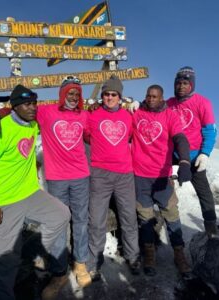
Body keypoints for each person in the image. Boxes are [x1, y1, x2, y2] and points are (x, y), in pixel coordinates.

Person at [0, 77, 92, 299]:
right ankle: (50, 273)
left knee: (67, 217)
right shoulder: (3, 128)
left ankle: (52, 258)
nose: (32, 108)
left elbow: (21, 111)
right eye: (69, 93)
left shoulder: (33, 124)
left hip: (44, 188)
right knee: (4, 261)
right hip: (9, 198)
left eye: (34, 103)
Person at [131, 84, 192, 277]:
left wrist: (184, 161)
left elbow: (181, 138)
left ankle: (179, 254)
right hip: (140, 176)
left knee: (172, 214)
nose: (150, 99)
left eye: (155, 96)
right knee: (145, 217)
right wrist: (128, 104)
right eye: (148, 96)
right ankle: (149, 254)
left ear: (162, 98)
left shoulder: (170, 116)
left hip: (162, 176)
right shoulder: (136, 113)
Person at [85, 75, 140, 280]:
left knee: (129, 217)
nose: (109, 98)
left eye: (113, 94)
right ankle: (94, 262)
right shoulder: (92, 115)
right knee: (96, 220)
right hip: (100, 174)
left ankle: (133, 256)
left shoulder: (129, 116)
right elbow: (85, 136)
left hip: (125, 174)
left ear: (120, 96)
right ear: (102, 96)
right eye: (106, 94)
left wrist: (139, 104)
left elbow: (135, 134)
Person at [167, 66, 219, 239]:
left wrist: (205, 153)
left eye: (185, 83)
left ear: (192, 85)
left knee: (204, 192)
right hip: (172, 155)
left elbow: (210, 131)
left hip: (194, 155)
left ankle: (211, 227)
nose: (181, 86)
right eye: (178, 83)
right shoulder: (168, 103)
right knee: (161, 188)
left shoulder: (203, 102)